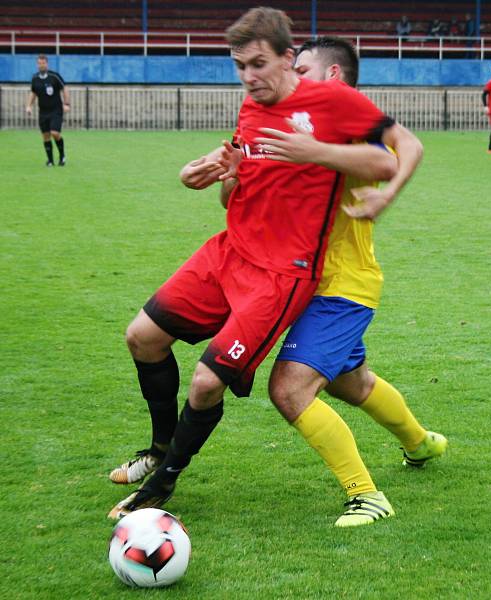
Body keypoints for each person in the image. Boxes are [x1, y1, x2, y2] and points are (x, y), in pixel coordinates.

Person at [107, 7, 396, 523]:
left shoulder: (335, 113)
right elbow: (232, 192)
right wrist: (220, 173)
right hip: (234, 253)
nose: (249, 77)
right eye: (240, 66)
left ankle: (166, 481)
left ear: (294, 62)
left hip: (301, 277)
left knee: (249, 386)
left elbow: (389, 158)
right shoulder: (254, 109)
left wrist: (320, 151)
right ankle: (157, 447)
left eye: (260, 64)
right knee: (142, 337)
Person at [265, 36, 446, 527]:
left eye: (301, 69)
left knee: (289, 389)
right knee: (353, 383)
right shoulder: (302, 124)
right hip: (307, 283)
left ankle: (367, 496)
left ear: (333, 77)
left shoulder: (347, 122)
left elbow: (397, 150)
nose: (292, 78)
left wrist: (385, 194)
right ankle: (421, 442)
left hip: (342, 285)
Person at [26, 54, 70, 167]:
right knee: (46, 136)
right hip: (43, 112)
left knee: (55, 133)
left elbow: (64, 88)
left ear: (47, 64)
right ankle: (50, 161)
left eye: (43, 63)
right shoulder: (34, 78)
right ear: (37, 64)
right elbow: (33, 93)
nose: (41, 65)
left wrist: (66, 104)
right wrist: (29, 106)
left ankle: (62, 156)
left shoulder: (54, 76)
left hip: (56, 110)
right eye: (39, 63)